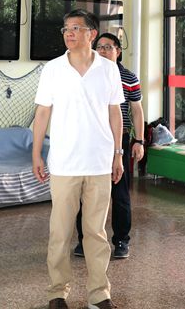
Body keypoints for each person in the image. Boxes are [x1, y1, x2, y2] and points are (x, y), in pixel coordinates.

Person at [32, 9, 124, 309]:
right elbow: (42, 113)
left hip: (99, 162)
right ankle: (57, 292)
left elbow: (115, 113)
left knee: (96, 233)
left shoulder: (109, 69)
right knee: (60, 232)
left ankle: (99, 294)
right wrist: (36, 153)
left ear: (91, 33)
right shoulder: (53, 69)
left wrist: (118, 154)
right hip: (64, 163)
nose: (68, 33)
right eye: (65, 29)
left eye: (75, 28)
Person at [74, 32, 144, 259]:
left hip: (118, 139)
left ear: (118, 51)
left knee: (119, 192)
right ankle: (84, 240)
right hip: (90, 139)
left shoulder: (128, 77)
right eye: (100, 47)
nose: (103, 51)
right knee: (86, 191)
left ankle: (121, 240)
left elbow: (137, 110)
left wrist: (139, 140)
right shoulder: (87, 73)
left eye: (108, 47)